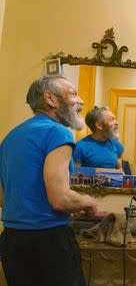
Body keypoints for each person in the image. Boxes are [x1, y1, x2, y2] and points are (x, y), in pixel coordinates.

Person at [0, 75, 98, 285]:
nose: (80, 101)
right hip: (49, 242)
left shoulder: (11, 137)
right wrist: (88, 201)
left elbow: (3, 198)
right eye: (73, 93)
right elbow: (60, 200)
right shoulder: (58, 132)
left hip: (12, 241)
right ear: (50, 99)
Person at [73, 106, 124, 171]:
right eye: (112, 119)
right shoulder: (80, 147)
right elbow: (75, 175)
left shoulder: (116, 144)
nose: (117, 122)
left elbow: (120, 169)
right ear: (99, 125)